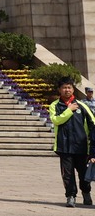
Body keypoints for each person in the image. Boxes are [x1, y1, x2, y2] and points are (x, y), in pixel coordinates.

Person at [50, 77, 95, 207]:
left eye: (69, 87)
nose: (67, 90)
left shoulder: (82, 105)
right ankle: (71, 196)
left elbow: (93, 123)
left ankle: (86, 193)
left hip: (81, 146)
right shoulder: (55, 105)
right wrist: (69, 110)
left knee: (83, 173)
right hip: (64, 146)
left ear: (73, 89)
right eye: (64, 87)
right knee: (67, 174)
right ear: (59, 90)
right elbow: (56, 120)